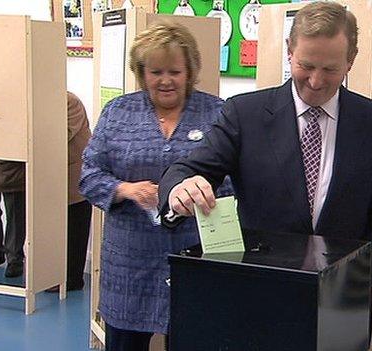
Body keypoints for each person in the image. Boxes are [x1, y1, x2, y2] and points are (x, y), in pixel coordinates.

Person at [158, 1, 372, 339]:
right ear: (290, 51)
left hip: (342, 304)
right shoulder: (244, 115)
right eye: (306, 65)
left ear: (351, 60)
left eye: (331, 69)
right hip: (260, 293)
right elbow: (189, 169)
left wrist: (357, 277)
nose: (316, 81)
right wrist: (179, 189)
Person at [79, 21, 231, 351]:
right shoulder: (118, 112)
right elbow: (89, 175)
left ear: (190, 71)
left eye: (174, 71)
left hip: (195, 258)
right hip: (129, 265)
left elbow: (234, 181)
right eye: (155, 71)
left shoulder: (217, 113)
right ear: (141, 72)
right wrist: (125, 190)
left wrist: (201, 192)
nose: (165, 80)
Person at [46, 92, 92, 292]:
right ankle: (57, 275)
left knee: (76, 229)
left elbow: (62, 134)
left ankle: (73, 278)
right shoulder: (45, 101)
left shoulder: (69, 101)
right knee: (58, 230)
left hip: (74, 177)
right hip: (55, 177)